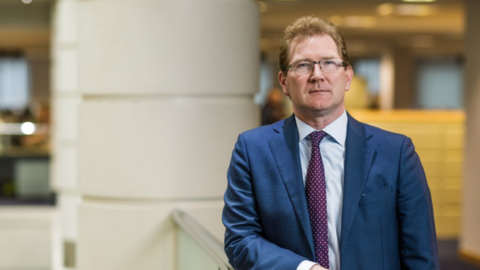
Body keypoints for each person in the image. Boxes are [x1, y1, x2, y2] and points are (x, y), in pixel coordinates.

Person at [222, 16, 439, 270]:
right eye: (303, 65)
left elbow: (421, 257)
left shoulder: (396, 153)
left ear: (347, 77)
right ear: (284, 82)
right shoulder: (252, 150)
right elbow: (240, 240)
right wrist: (305, 268)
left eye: (328, 63)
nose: (317, 75)